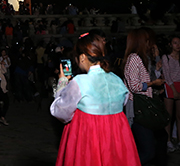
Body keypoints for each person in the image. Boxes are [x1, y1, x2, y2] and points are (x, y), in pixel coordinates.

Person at [51, 32, 139, 166]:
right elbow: (123, 102)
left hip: (88, 138)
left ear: (82, 58)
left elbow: (60, 112)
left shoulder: (80, 82)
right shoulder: (117, 80)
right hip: (116, 138)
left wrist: (62, 83)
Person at [123, 28, 166, 166]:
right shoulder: (134, 58)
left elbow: (147, 78)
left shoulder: (141, 58)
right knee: (148, 151)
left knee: (157, 142)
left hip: (145, 106)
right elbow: (135, 86)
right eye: (148, 40)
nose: (150, 44)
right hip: (139, 108)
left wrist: (157, 68)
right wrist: (153, 83)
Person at [161, 36, 180, 152]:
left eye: (179, 43)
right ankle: (168, 141)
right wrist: (174, 90)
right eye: (175, 43)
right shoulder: (166, 57)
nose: (178, 45)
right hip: (170, 86)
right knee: (169, 116)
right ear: (170, 44)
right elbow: (166, 74)